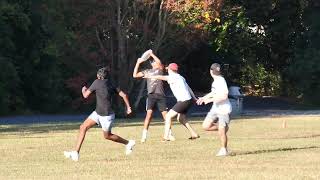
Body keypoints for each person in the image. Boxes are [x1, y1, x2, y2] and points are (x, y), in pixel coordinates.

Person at [64, 67, 135, 161]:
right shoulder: (111, 83)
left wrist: (83, 90)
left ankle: (128, 143)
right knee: (83, 127)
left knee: (107, 136)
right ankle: (76, 153)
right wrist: (128, 107)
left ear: (98, 76)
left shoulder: (96, 82)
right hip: (98, 113)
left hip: (106, 116)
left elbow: (85, 96)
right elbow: (124, 95)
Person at [144, 63, 199, 141]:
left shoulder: (173, 77)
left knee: (168, 116)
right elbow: (189, 88)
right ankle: (194, 134)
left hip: (183, 101)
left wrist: (149, 76)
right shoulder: (181, 77)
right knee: (181, 118)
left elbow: (161, 77)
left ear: (170, 70)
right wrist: (194, 98)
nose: (167, 70)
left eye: (168, 69)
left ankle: (165, 137)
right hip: (188, 100)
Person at [133, 51, 175, 142]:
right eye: (153, 62)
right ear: (151, 64)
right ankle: (144, 136)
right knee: (149, 115)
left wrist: (151, 54)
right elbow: (135, 75)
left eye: (155, 61)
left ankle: (169, 134)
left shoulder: (160, 69)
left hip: (160, 95)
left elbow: (159, 62)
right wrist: (138, 63)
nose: (155, 62)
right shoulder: (147, 71)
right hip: (151, 96)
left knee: (165, 115)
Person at [196, 63, 232, 156]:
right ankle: (223, 128)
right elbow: (214, 92)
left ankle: (224, 150)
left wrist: (210, 100)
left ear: (211, 71)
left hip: (224, 109)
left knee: (221, 130)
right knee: (205, 126)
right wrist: (203, 98)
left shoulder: (221, 80)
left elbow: (224, 96)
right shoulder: (215, 81)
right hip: (215, 108)